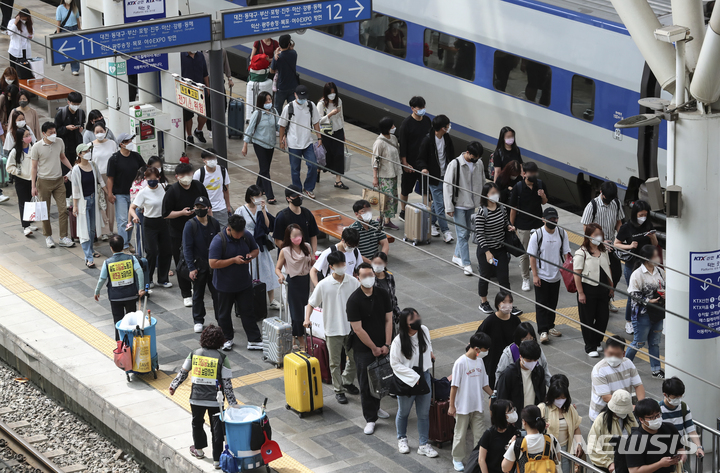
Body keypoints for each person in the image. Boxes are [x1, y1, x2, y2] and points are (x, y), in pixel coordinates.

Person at [169, 325, 238, 469]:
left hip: (196, 398)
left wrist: (173, 386)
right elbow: (227, 383)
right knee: (217, 429)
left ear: (203, 338)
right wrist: (233, 403)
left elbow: (183, 372)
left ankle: (199, 450)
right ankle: (217, 460)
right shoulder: (222, 358)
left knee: (197, 423)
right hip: (216, 401)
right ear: (220, 340)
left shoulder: (194, 353)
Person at [305, 251, 360, 403]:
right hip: (332, 329)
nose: (342, 267)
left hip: (350, 329)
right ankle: (338, 389)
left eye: (343, 264)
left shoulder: (353, 282)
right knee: (334, 362)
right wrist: (306, 319)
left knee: (355, 357)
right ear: (331, 267)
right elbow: (311, 303)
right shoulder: (324, 285)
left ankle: (347, 381)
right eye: (338, 265)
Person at [347, 263, 393, 433]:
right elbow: (357, 329)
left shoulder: (382, 293)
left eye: (370, 274)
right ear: (358, 278)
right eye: (364, 275)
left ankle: (377, 407)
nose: (368, 278)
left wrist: (387, 344)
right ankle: (370, 418)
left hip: (383, 344)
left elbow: (389, 319)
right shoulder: (354, 300)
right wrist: (373, 347)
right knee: (365, 383)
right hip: (364, 348)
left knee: (381, 379)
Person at [208, 215, 262, 351]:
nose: (239, 235)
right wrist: (233, 260)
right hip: (224, 285)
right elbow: (213, 263)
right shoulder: (218, 240)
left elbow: (256, 250)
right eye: (236, 233)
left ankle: (254, 339)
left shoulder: (246, 235)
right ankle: (226, 338)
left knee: (248, 311)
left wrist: (250, 256)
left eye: (241, 232)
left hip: (244, 283)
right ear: (229, 229)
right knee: (224, 314)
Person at [390, 307, 438, 458]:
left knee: (424, 413)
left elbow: (428, 346)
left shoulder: (424, 330)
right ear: (406, 324)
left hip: (424, 377)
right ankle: (401, 438)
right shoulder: (398, 341)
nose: (417, 320)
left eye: (417, 316)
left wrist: (430, 354)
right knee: (403, 412)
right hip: (407, 379)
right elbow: (395, 364)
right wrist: (413, 377)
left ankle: (423, 444)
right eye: (413, 319)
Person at [162, 162, 209, 307]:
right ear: (177, 177)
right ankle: (186, 293)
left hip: (199, 230)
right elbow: (166, 214)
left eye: (189, 174)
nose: (187, 178)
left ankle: (197, 286)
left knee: (200, 258)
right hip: (178, 232)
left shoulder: (198, 186)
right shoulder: (173, 191)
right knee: (182, 262)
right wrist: (182, 213)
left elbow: (208, 206)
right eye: (183, 176)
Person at [449, 333, 494, 471]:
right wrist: (452, 406)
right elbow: (454, 386)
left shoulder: (480, 361)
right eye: (485, 350)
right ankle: (457, 458)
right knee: (460, 434)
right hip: (462, 406)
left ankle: (478, 457)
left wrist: (494, 395)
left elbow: (484, 383)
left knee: (480, 434)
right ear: (476, 348)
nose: (486, 353)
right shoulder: (460, 363)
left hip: (477, 405)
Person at [528, 207, 571, 343]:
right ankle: (543, 331)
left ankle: (551, 326)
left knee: (553, 303)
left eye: (555, 219)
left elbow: (566, 253)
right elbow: (532, 257)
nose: (553, 221)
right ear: (543, 219)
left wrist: (569, 270)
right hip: (542, 275)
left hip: (556, 275)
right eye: (550, 219)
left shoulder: (562, 233)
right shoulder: (537, 235)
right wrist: (535, 275)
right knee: (541, 304)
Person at [615, 200, 658, 335]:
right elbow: (617, 244)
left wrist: (652, 237)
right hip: (632, 266)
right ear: (635, 214)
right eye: (640, 214)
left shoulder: (648, 225)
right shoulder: (626, 227)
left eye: (645, 214)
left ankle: (643, 318)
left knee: (646, 293)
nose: (643, 217)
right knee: (633, 294)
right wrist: (630, 246)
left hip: (646, 265)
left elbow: (655, 245)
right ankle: (629, 321)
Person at [581, 181, 625, 313]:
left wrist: (620, 237)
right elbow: (585, 228)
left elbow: (619, 222)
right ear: (601, 193)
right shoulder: (592, 206)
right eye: (607, 198)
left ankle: (608, 298)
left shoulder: (616, 203)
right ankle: (602, 301)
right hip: (597, 247)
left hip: (610, 245)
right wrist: (599, 241)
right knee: (600, 275)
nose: (609, 201)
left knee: (616, 273)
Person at [30, 121, 75, 248]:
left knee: (63, 210)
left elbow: (62, 157)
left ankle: (63, 237)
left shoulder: (60, 142)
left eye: (54, 132)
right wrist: (33, 186)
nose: (53, 135)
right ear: (44, 134)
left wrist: (72, 169)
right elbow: (33, 168)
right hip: (43, 181)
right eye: (50, 133)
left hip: (59, 181)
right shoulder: (37, 147)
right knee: (45, 211)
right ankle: (48, 236)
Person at [475, 183, 517, 315]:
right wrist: (487, 253)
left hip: (500, 251)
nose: (495, 195)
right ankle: (484, 302)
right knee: (485, 276)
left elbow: (505, 223)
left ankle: (508, 303)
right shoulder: (482, 212)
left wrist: (509, 227)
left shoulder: (502, 208)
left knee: (503, 277)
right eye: (492, 193)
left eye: (496, 192)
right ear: (486, 195)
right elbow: (480, 234)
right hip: (486, 252)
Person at [93, 235, 146, 340]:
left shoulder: (107, 262)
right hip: (131, 295)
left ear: (111, 248)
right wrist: (141, 288)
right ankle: (132, 342)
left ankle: (120, 345)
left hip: (115, 297)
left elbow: (102, 278)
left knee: (118, 321)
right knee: (131, 321)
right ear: (123, 246)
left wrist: (97, 291)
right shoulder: (131, 258)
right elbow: (139, 271)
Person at [236, 185, 280, 309]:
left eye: (261, 195)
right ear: (251, 197)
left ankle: (271, 299)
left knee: (267, 269)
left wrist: (264, 210)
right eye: (257, 196)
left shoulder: (261, 208)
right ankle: (250, 298)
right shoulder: (241, 210)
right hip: (247, 243)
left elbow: (267, 225)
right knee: (250, 271)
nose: (259, 198)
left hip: (260, 243)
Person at [625, 244, 666, 378]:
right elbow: (632, 293)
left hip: (657, 312)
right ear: (647, 259)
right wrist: (648, 301)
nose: (658, 258)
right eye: (655, 256)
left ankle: (656, 369)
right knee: (638, 342)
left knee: (654, 342)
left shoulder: (659, 271)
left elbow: (665, 286)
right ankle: (624, 367)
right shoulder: (637, 274)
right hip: (642, 314)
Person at [444, 141, 485, 275]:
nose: (476, 160)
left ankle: (457, 256)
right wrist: (449, 206)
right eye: (474, 157)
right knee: (462, 234)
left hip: (472, 203)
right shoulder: (455, 164)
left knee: (467, 233)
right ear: (468, 153)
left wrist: (483, 200)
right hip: (459, 204)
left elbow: (483, 181)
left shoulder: (479, 163)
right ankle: (466, 264)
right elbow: (447, 186)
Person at [573, 223, 614, 357]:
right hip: (588, 290)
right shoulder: (581, 253)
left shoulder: (603, 251)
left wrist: (611, 286)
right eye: (595, 235)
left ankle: (597, 341)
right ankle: (590, 346)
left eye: (600, 234)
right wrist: (581, 293)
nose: (598, 237)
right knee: (587, 319)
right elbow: (576, 274)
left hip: (603, 291)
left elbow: (608, 269)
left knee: (603, 317)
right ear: (588, 236)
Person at [183, 196, 221, 333]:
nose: (199, 210)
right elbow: (187, 248)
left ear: (208, 208)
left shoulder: (214, 223)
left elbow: (220, 242)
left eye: (202, 207)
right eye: (197, 207)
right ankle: (198, 320)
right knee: (198, 294)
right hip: (198, 266)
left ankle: (221, 319)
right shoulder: (190, 225)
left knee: (217, 294)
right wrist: (191, 268)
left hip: (213, 265)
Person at [130, 167, 172, 289]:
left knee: (166, 251)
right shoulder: (143, 192)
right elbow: (132, 207)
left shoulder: (164, 187)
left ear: (159, 178)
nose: (152, 181)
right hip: (150, 223)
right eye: (149, 179)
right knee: (152, 252)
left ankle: (163, 278)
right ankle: (148, 278)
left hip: (164, 222)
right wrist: (134, 217)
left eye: (155, 179)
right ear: (145, 179)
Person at [509, 161, 548, 292]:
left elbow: (545, 202)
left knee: (540, 251)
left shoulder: (540, 184)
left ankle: (540, 275)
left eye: (535, 173)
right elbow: (513, 208)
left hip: (537, 224)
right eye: (531, 173)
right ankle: (525, 278)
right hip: (523, 225)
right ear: (524, 174)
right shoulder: (518, 188)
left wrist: (543, 196)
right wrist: (512, 225)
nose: (533, 175)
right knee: (524, 253)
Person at [278, 85, 322, 198]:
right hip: (293, 143)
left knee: (313, 165)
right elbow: (282, 126)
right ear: (295, 95)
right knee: (295, 169)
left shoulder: (311, 106)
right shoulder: (289, 107)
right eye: (300, 97)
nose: (302, 99)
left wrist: (319, 137)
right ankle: (297, 190)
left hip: (307, 142)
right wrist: (281, 141)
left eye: (304, 97)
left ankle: (308, 187)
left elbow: (316, 122)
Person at [416, 114, 455, 242]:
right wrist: (424, 168)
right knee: (440, 205)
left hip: (446, 175)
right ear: (442, 128)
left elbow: (451, 155)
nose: (449, 127)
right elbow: (420, 158)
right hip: (434, 177)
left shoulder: (446, 138)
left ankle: (431, 223)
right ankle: (446, 231)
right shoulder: (428, 140)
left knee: (438, 204)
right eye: (447, 125)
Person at [589, 335, 646, 421]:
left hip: (624, 413)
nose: (613, 358)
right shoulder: (599, 370)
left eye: (617, 354)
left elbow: (638, 385)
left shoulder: (628, 363)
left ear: (623, 354)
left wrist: (641, 405)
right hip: (602, 416)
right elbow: (606, 397)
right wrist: (630, 407)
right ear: (605, 351)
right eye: (610, 354)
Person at [276, 223, 314, 346]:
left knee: (306, 309)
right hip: (294, 282)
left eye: (299, 234)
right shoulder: (285, 251)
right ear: (289, 237)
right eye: (294, 235)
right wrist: (281, 275)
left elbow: (310, 263)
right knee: (296, 312)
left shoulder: (307, 247)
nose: (298, 237)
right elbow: (278, 268)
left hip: (306, 280)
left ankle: (297, 334)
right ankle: (300, 338)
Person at [107, 132, 145, 252]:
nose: (130, 143)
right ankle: (122, 245)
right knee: (122, 220)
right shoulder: (114, 159)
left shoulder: (136, 157)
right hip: (120, 193)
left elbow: (144, 170)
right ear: (121, 144)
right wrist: (110, 193)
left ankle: (127, 242)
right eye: (128, 141)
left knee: (132, 220)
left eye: (131, 140)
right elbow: (110, 178)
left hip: (135, 194)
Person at [476, 290, 521, 388]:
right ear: (498, 304)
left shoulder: (515, 320)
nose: (507, 305)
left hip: (511, 361)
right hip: (494, 362)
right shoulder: (490, 321)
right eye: (504, 302)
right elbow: (478, 337)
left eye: (510, 302)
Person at [70, 143, 105, 268]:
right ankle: (88, 257)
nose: (88, 153)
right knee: (84, 229)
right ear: (79, 154)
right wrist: (75, 206)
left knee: (91, 229)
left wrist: (109, 194)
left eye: (89, 150)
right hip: (83, 202)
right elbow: (75, 189)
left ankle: (90, 250)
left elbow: (100, 180)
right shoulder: (76, 169)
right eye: (85, 151)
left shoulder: (93, 165)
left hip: (93, 199)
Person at [397, 96, 432, 221]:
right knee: (406, 188)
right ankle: (403, 211)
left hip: (424, 163)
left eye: (423, 107)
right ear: (412, 108)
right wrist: (405, 163)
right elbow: (403, 145)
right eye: (420, 108)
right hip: (410, 162)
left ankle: (426, 213)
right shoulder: (406, 124)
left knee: (426, 190)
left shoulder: (427, 120)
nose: (422, 110)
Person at [626, 399, 684, 473]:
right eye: (651, 417)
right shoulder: (635, 440)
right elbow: (634, 471)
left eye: (658, 415)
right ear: (641, 419)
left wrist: (682, 456)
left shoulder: (670, 428)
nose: (656, 419)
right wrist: (660, 464)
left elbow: (680, 448)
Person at [537, 381, 583, 473]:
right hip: (546, 452)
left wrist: (579, 443)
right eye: (558, 397)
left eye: (563, 397)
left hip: (564, 451)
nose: (560, 400)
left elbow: (576, 427)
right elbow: (532, 429)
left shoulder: (570, 409)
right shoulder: (542, 408)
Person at [587, 390, 638, 472]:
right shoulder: (602, 419)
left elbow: (636, 434)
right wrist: (608, 463)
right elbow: (593, 446)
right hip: (608, 467)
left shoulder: (629, 415)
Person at [496, 340, 546, 422]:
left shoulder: (539, 371)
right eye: (529, 361)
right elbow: (501, 400)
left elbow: (542, 394)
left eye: (535, 360)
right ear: (520, 357)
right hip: (515, 420)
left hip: (533, 419)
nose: (532, 363)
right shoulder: (509, 374)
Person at [242, 91, 278, 204]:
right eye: (267, 100)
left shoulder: (274, 112)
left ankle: (258, 188)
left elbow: (278, 125)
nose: (269, 102)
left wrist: (284, 136)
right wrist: (245, 145)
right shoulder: (257, 114)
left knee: (264, 169)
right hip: (259, 144)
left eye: (270, 99)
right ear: (262, 102)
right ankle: (270, 195)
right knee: (265, 170)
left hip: (271, 144)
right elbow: (249, 129)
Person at [501, 405, 560, 473]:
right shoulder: (551, 440)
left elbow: (505, 468)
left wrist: (510, 445)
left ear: (524, 422)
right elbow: (558, 460)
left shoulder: (517, 444)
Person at [495, 322, 551, 386]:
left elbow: (545, 370)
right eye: (525, 339)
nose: (529, 342)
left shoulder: (537, 349)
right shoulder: (509, 353)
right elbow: (500, 374)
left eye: (531, 339)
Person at [660, 377, 704, 458]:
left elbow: (691, 430)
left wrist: (698, 447)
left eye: (680, 396)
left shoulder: (683, 407)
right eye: (675, 397)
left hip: (679, 451)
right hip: (662, 453)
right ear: (665, 395)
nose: (678, 399)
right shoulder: (658, 410)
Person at [372, 116, 401, 229]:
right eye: (392, 126)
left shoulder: (393, 138)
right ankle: (381, 219)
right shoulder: (379, 143)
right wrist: (375, 177)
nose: (394, 127)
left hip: (393, 173)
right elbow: (375, 161)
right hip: (383, 175)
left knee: (392, 197)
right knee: (385, 198)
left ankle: (387, 220)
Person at [6, 127, 37, 235]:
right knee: (23, 202)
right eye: (26, 136)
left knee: (31, 202)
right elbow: (9, 167)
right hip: (21, 180)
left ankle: (30, 222)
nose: (29, 137)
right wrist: (18, 172)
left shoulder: (33, 148)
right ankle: (25, 226)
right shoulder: (15, 151)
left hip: (32, 179)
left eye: (29, 135)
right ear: (21, 138)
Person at [317, 82, 348, 189]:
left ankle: (338, 180)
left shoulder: (339, 101)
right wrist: (330, 115)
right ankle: (318, 170)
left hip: (338, 131)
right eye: (330, 93)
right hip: (326, 134)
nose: (332, 95)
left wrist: (343, 132)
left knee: (339, 155)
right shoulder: (321, 104)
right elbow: (319, 121)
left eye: (334, 93)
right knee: (324, 156)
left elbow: (341, 117)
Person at [474, 400, 519, 473]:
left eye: (513, 409)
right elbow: (481, 459)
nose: (513, 412)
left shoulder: (514, 431)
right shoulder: (489, 434)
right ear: (501, 415)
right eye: (510, 410)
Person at [91, 122, 118, 239]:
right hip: (97, 176)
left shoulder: (112, 144)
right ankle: (103, 231)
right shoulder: (90, 146)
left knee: (110, 202)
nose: (99, 134)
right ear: (93, 133)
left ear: (105, 131)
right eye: (97, 132)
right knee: (100, 203)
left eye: (101, 131)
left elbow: (116, 158)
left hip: (111, 175)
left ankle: (110, 229)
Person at [272, 185, 318, 252]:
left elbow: (313, 235)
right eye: (295, 196)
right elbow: (277, 240)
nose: (298, 198)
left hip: (304, 255)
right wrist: (291, 253)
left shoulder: (307, 213)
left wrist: (314, 253)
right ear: (288, 198)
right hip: (288, 257)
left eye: (300, 195)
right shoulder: (282, 217)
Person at [193, 149, 231, 227]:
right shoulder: (199, 174)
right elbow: (195, 192)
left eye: (213, 158)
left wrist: (228, 205)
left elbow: (226, 190)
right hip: (205, 209)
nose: (212, 160)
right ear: (204, 160)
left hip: (221, 208)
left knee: (223, 232)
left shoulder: (222, 170)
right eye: (209, 159)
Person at [181, 51, 210, 145]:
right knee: (188, 116)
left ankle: (198, 130)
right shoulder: (181, 56)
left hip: (200, 90)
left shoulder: (200, 56)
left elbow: (205, 73)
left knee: (204, 113)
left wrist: (207, 87)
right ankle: (189, 136)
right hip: (186, 91)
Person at [55, 92, 85, 166]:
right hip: (65, 145)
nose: (76, 106)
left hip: (77, 143)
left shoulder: (81, 113)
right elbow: (56, 130)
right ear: (69, 102)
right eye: (74, 104)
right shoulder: (61, 114)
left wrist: (81, 128)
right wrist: (66, 128)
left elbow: (82, 123)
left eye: (78, 104)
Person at [270, 34, 299, 111]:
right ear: (289, 44)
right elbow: (291, 49)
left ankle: (278, 123)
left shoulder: (277, 57)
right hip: (293, 87)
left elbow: (271, 71)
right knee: (292, 110)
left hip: (281, 88)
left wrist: (275, 54)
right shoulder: (294, 54)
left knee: (277, 109)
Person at [371, 252, 400, 324]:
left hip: (389, 316)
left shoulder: (390, 277)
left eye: (380, 263)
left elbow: (392, 297)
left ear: (385, 264)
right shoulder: (369, 279)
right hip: (376, 318)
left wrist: (397, 313)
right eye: (375, 263)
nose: (377, 266)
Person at [55, 0, 81, 75]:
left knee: (75, 49)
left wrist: (80, 29)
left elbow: (77, 19)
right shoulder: (60, 8)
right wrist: (58, 32)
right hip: (65, 29)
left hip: (74, 28)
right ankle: (63, 62)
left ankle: (75, 69)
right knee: (67, 48)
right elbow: (58, 22)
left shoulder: (75, 7)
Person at [7, 9, 32, 78]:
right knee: (13, 69)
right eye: (22, 19)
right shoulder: (12, 22)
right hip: (15, 49)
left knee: (23, 70)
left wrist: (30, 36)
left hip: (25, 49)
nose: (23, 21)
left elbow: (31, 33)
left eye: (25, 19)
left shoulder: (28, 24)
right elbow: (10, 33)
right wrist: (16, 22)